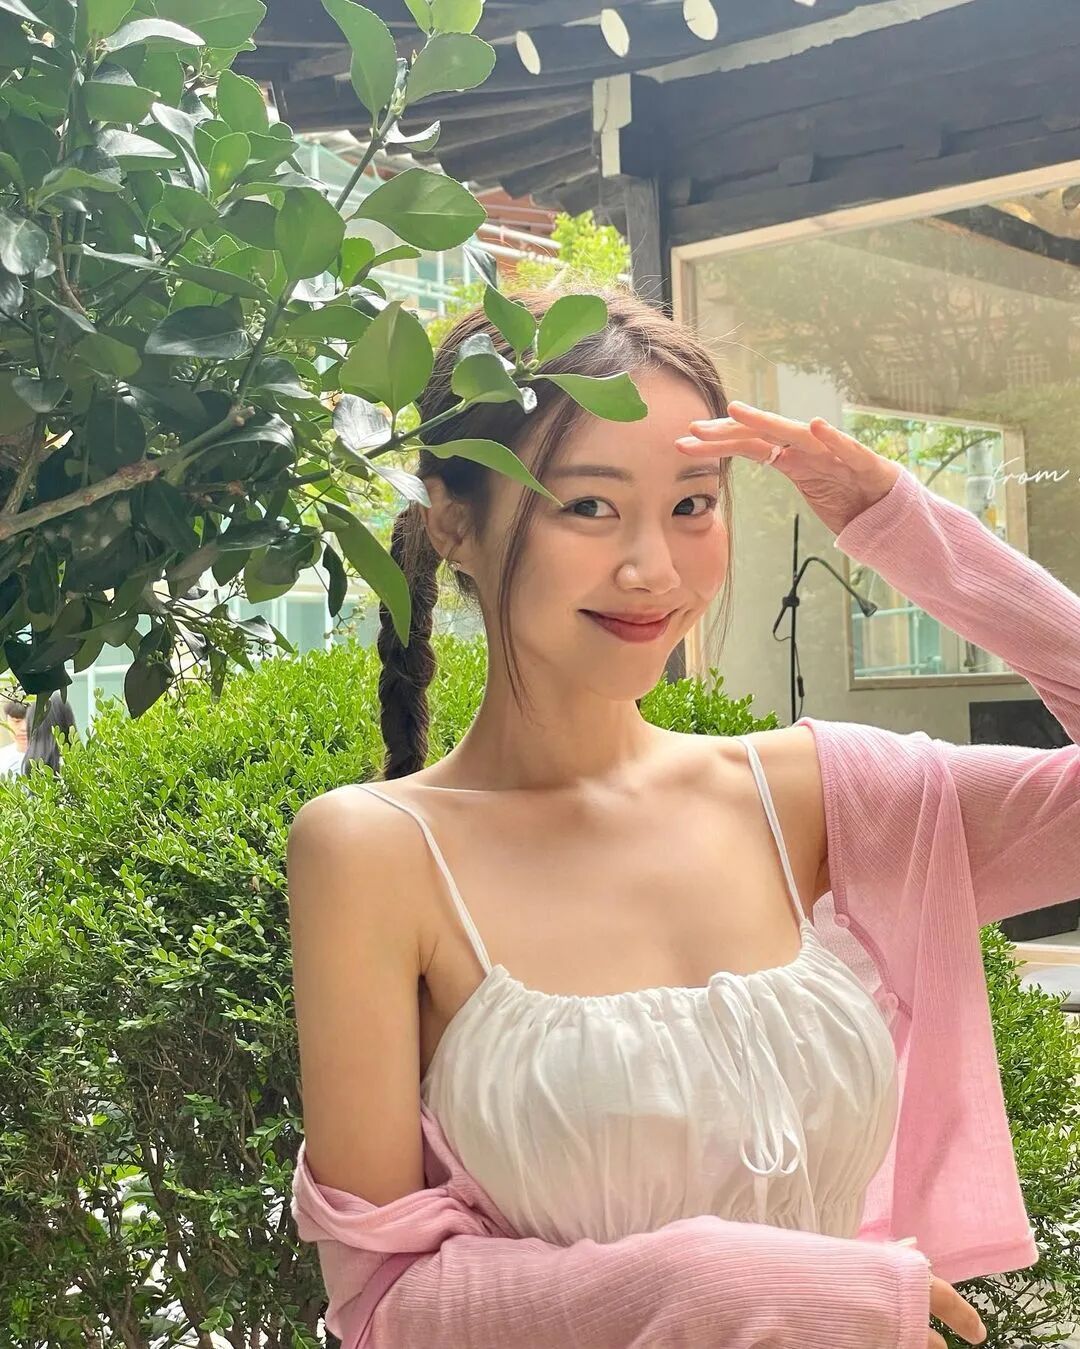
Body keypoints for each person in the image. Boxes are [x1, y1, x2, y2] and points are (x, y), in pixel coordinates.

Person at [285, 288, 1079, 1348]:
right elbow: (384, 1304)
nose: (652, 568)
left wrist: (898, 520)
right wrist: (716, 1280)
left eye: (693, 504)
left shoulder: (812, 797)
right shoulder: (375, 851)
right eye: (589, 506)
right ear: (453, 521)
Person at [0, 698, 29, 777]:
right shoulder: (2, 757)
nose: (23, 728)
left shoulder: (53, 757)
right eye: (17, 721)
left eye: (29, 721)